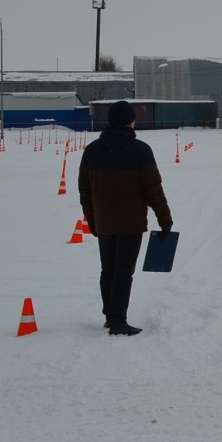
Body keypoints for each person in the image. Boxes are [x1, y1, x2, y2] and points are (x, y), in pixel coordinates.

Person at [78, 100, 173, 336]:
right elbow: (153, 188)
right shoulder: (140, 150)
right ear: (131, 121)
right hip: (131, 223)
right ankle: (118, 320)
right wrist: (165, 219)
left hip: (104, 222)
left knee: (107, 269)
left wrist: (92, 220)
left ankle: (111, 315)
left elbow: (85, 190)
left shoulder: (92, 150)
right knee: (123, 271)